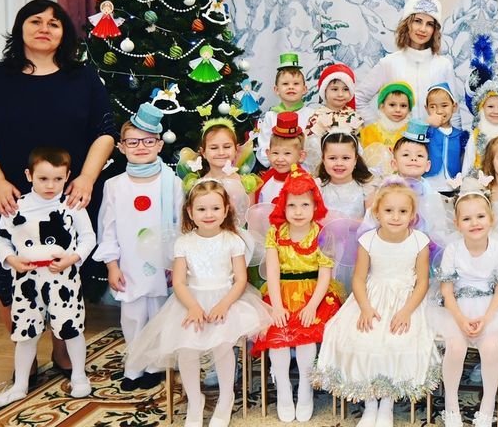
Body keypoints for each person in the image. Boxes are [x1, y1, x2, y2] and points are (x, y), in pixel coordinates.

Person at [0, 0, 116, 373]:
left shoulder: (83, 78)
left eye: (54, 23)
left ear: (64, 34)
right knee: (9, 274)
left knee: (66, 272)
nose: (44, 28)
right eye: (35, 21)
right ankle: (25, 355)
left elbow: (105, 131)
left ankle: (63, 351)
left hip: (69, 197)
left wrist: (87, 177)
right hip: (9, 199)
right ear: (20, 29)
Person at [125, 179, 273, 427]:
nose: (208, 214)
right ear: (190, 212)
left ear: (225, 210)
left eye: (215, 208)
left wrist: (223, 305)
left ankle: (226, 398)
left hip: (227, 300)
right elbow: (179, 282)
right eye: (201, 209)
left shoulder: (232, 240)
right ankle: (195, 400)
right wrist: (193, 307)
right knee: (187, 348)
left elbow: (240, 280)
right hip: (190, 301)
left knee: (223, 346)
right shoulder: (184, 243)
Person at [313, 180, 440, 427]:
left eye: (402, 211)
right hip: (371, 297)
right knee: (362, 337)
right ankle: (370, 403)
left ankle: (387, 405)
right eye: (389, 210)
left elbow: (422, 282)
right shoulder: (368, 240)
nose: (396, 217)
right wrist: (365, 308)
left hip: (406, 300)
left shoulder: (419, 242)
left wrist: (406, 311)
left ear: (412, 215)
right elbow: (359, 279)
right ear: (377, 213)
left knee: (397, 339)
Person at [0, 147, 96, 408]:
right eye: (43, 179)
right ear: (29, 175)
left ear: (67, 177)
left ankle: (79, 376)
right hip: (27, 282)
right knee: (26, 333)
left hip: (64, 280)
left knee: (71, 329)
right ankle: (20, 385)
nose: (50, 185)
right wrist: (11, 260)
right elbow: (1, 241)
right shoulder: (16, 207)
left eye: (58, 179)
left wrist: (73, 258)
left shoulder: (71, 205)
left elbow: (88, 237)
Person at [94, 103, 183, 391]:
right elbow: (107, 228)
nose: (141, 147)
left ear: (159, 144)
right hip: (129, 264)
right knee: (132, 316)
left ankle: (155, 366)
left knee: (158, 315)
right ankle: (134, 366)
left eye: (148, 141)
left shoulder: (171, 182)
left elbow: (180, 224)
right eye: (132, 142)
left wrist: (176, 263)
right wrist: (112, 265)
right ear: (121, 147)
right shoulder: (114, 185)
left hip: (162, 264)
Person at [251, 169, 343, 422]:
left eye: (305, 205)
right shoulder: (275, 233)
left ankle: (305, 388)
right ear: (283, 206)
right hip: (280, 293)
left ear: (315, 207)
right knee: (277, 336)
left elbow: (325, 274)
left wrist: (312, 306)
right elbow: (272, 271)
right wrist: (276, 306)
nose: (298, 211)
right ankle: (283, 387)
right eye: (292, 205)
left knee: (306, 337)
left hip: (314, 294)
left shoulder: (323, 234)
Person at [429, 190, 498, 427]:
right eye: (467, 219)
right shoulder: (453, 249)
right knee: (456, 348)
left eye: (480, 216)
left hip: (490, 308)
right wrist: (460, 319)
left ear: (491, 219)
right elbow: (447, 291)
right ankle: (451, 406)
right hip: (456, 308)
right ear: (457, 223)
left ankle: (487, 407)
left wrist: (486, 319)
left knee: (490, 348)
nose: (474, 223)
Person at [355, 0, 462, 123]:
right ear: (407, 24)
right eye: (417, 21)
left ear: (434, 30)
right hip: (397, 135)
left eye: (429, 24)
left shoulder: (443, 65)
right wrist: (377, 128)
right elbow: (358, 98)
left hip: (434, 135)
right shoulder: (389, 63)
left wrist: (456, 135)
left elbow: (454, 113)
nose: (422, 29)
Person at [256, 53, 316, 168]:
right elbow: (264, 146)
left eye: (296, 83)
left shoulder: (312, 115)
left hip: (304, 170)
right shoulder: (270, 116)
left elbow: (314, 147)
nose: (290, 87)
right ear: (276, 90)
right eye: (285, 84)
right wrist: (276, 160)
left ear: (304, 89)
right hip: (277, 168)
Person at [303, 63, 363, 168]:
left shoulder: (354, 117)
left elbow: (360, 145)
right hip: (324, 167)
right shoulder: (317, 117)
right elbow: (310, 146)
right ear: (324, 91)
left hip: (349, 167)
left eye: (345, 89)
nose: (340, 94)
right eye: (334, 89)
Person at [317, 129, 375, 220]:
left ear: (355, 160)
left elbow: (371, 219)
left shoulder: (366, 188)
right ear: (323, 159)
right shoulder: (318, 188)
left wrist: (349, 226)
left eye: (346, 158)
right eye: (332, 158)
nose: (339, 163)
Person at [422, 83, 468, 192]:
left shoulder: (460, 135)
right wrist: (426, 123)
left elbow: (465, 160)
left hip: (453, 187)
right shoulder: (426, 131)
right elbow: (411, 136)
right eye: (432, 107)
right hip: (429, 185)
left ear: (454, 107)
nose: (439, 111)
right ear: (426, 109)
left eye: (444, 105)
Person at [255, 112, 307, 204]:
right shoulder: (265, 180)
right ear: (268, 154)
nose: (280, 159)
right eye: (275, 153)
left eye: (287, 153)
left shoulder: (304, 183)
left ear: (301, 156)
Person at [359, 81, 413, 151]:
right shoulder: (370, 131)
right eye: (392, 105)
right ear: (382, 107)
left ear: (409, 109)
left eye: (403, 106)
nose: (398, 110)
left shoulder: (412, 131)